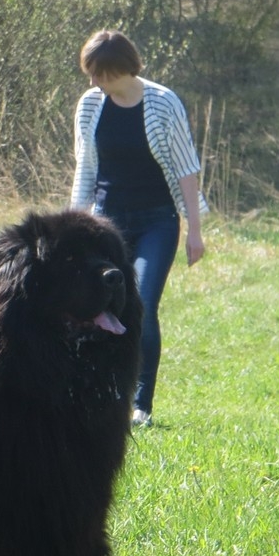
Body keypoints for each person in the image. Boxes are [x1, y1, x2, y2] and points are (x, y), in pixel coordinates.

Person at [71, 29, 206, 428]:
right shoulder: (90, 106)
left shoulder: (163, 104)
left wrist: (195, 231)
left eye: (100, 75)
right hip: (106, 224)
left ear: (120, 69)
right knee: (98, 307)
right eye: (90, 75)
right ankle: (103, 394)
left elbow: (186, 168)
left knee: (140, 305)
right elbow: (86, 169)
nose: (93, 83)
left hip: (156, 222)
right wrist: (74, 226)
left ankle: (140, 405)